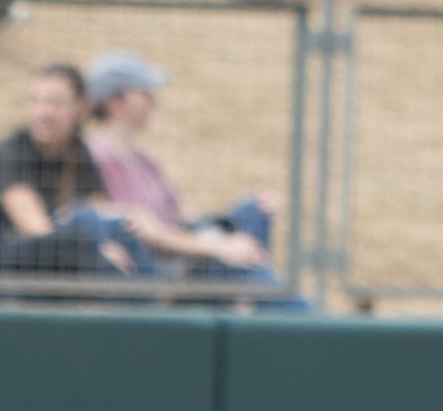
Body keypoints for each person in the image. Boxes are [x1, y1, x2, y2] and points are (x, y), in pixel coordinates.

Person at [82, 50, 295, 297]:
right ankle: (292, 313)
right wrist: (218, 247)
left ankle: (266, 301)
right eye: (144, 94)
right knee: (241, 266)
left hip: (183, 254)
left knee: (255, 210)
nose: (154, 102)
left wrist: (244, 217)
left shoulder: (143, 161)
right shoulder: (97, 159)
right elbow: (149, 235)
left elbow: (184, 215)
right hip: (157, 270)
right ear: (114, 103)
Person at [0, 64, 146, 281]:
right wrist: (99, 249)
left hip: (62, 256)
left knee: (122, 228)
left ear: (81, 108)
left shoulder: (77, 150)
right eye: (35, 101)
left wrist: (131, 221)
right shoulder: (13, 150)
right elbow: (34, 229)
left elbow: (99, 210)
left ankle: (156, 297)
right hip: (10, 264)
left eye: (55, 103)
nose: (42, 112)